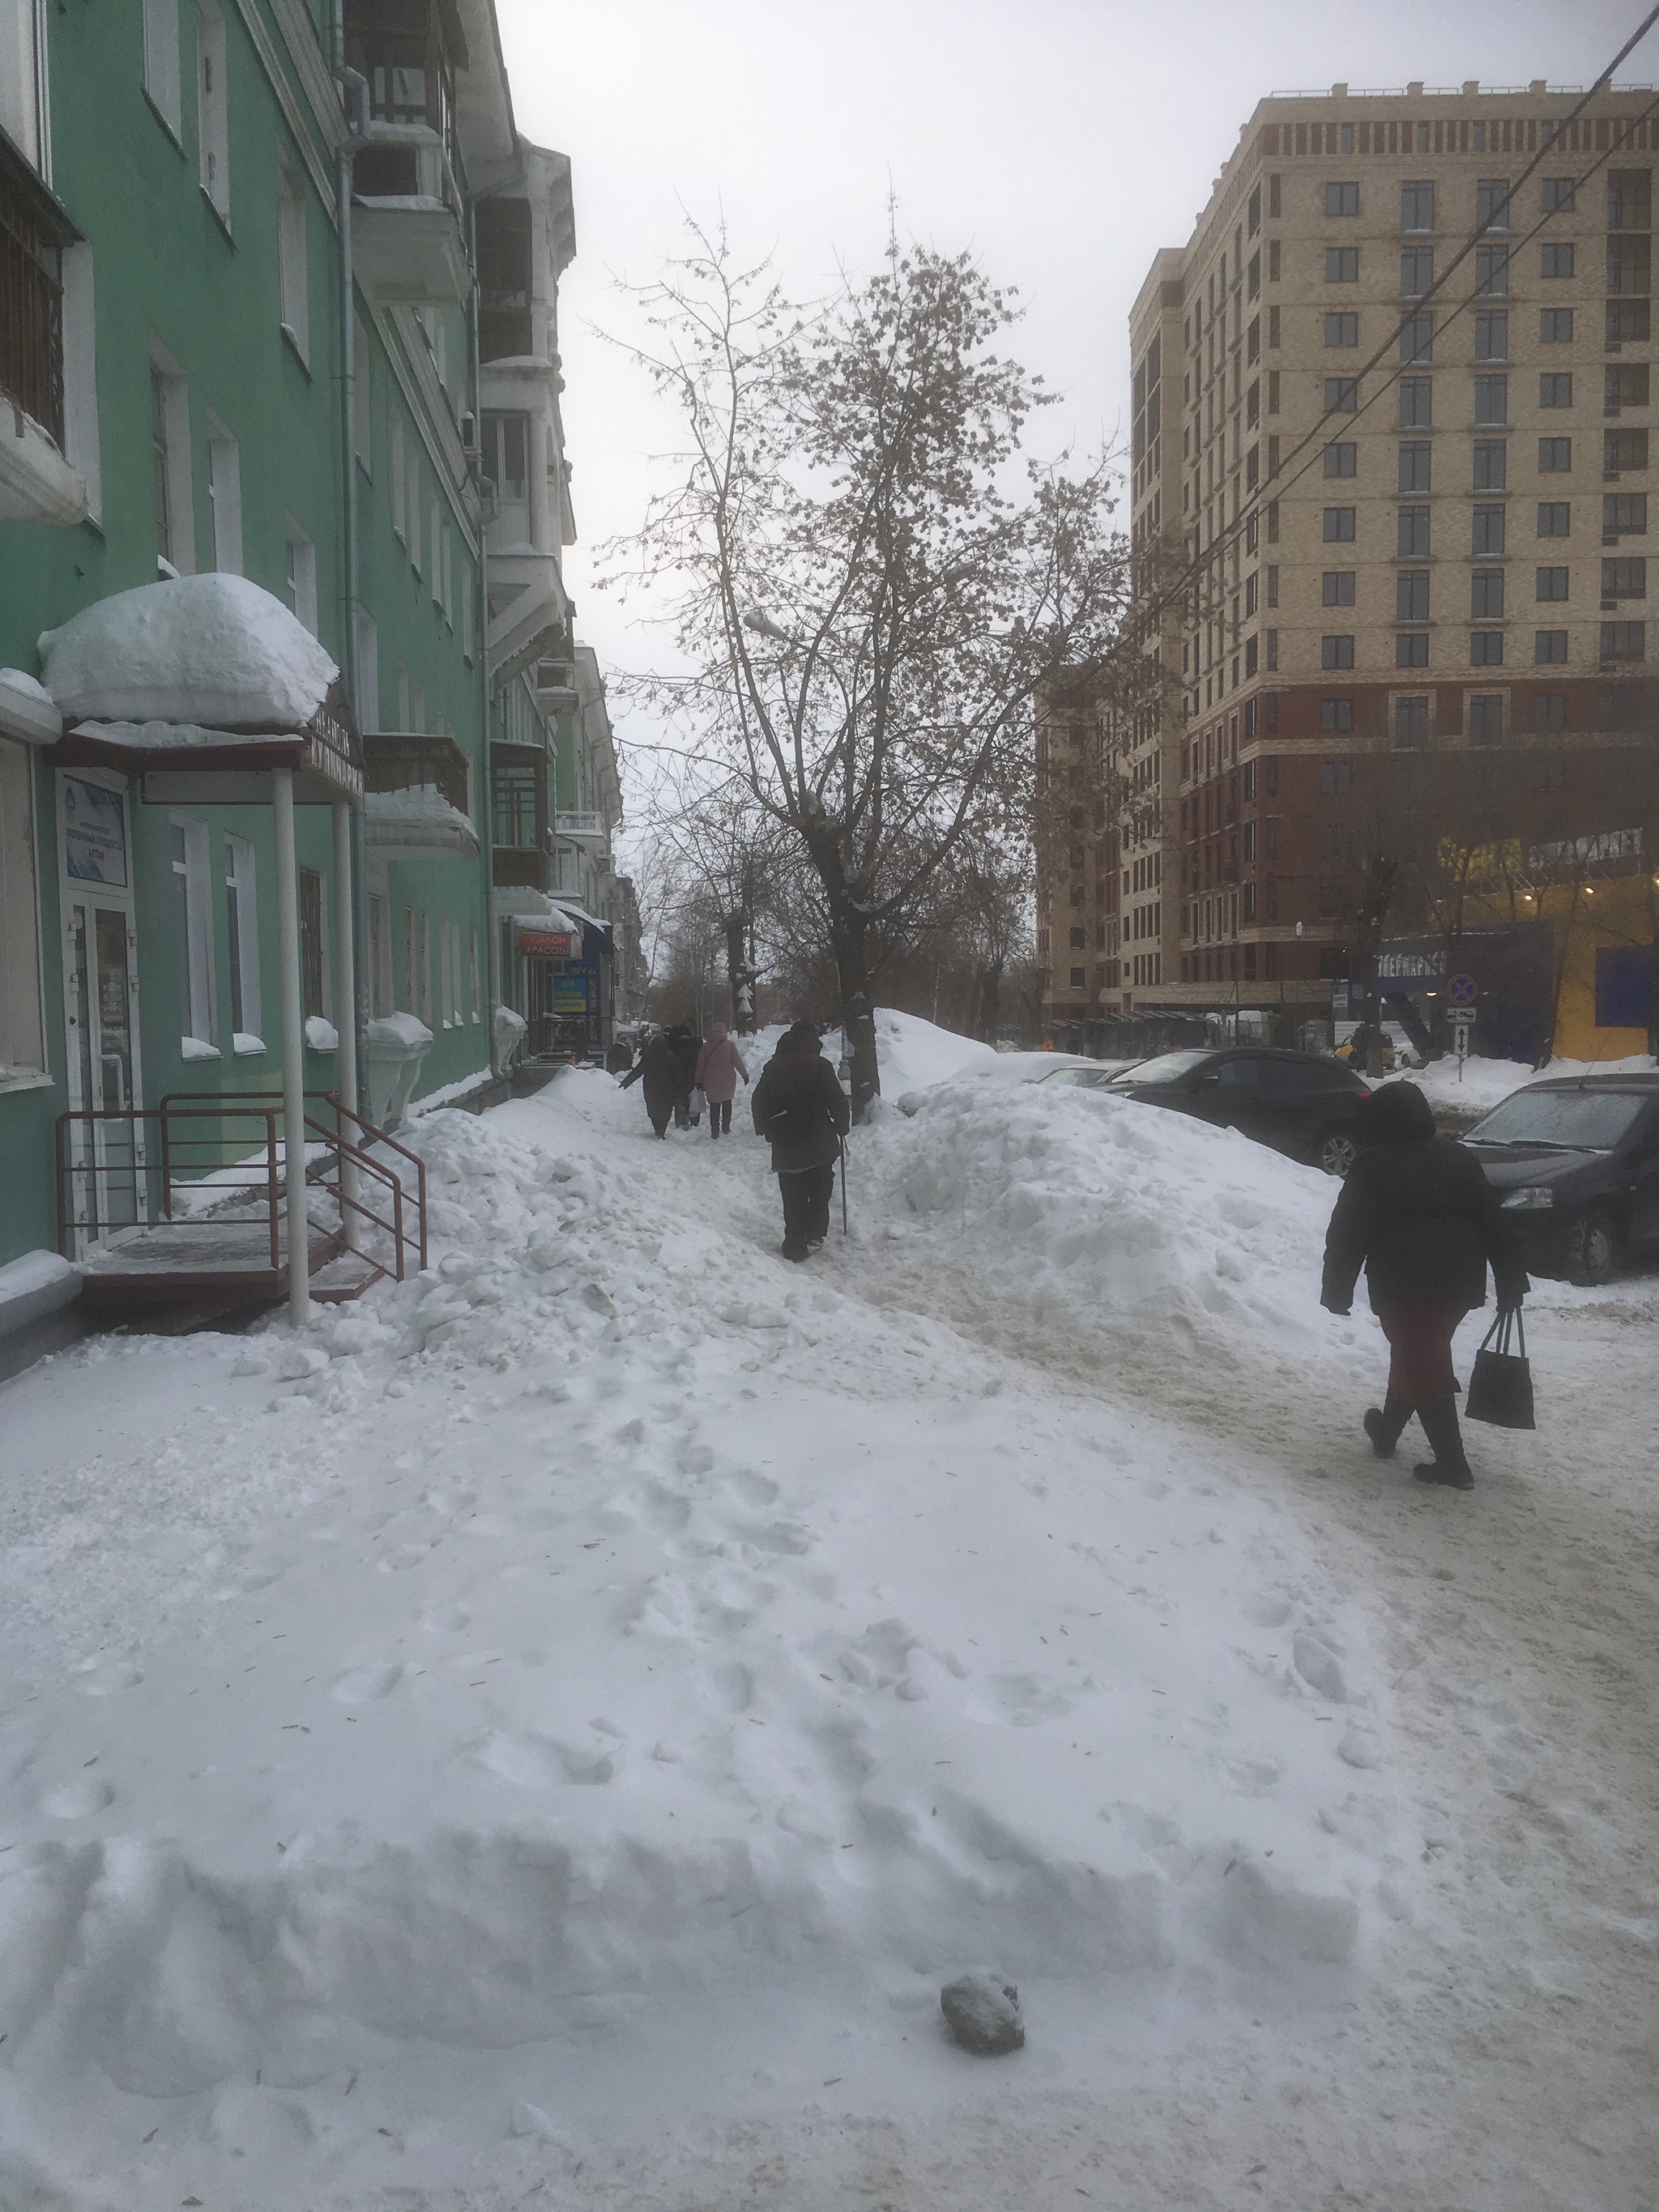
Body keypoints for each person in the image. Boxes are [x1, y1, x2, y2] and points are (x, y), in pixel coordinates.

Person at [1320, 1081, 1528, 1489]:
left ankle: (1454, 1465)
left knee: (1422, 1364)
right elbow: (1493, 1221)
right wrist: (1510, 1278)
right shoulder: (1458, 1157)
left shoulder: (1372, 1164)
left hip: (1404, 1285)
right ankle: (1386, 1434)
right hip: (1458, 1285)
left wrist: (1337, 1288)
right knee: (1418, 1355)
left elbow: (1347, 1231)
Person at [751, 1019, 851, 1261]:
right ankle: (815, 1230)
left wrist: (765, 1128)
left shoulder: (772, 1066)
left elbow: (758, 1100)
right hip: (819, 1142)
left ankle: (794, 1243)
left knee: (792, 1192)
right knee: (820, 1186)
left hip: (785, 1143)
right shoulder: (820, 1066)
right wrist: (842, 1126)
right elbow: (837, 1101)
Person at [619, 1028, 689, 1139]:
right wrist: (682, 1088)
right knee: (666, 1110)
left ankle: (657, 1129)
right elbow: (678, 1073)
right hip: (667, 1089)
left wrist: (625, 1083)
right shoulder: (671, 1057)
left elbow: (638, 1071)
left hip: (651, 1088)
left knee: (653, 1108)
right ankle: (662, 1131)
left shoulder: (648, 1057)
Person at [694, 1021, 749, 1140]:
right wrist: (745, 1075)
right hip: (727, 1081)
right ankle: (725, 1127)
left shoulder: (706, 1046)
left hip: (710, 1080)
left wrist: (698, 1080)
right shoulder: (730, 1045)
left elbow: (700, 1065)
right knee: (727, 1103)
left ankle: (715, 1130)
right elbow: (737, 1061)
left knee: (714, 1106)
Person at [667, 1025, 702, 1127]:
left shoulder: (674, 1043)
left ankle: (681, 1120)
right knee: (694, 1097)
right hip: (693, 1074)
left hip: (679, 1075)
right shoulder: (693, 1044)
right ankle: (695, 1121)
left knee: (681, 1097)